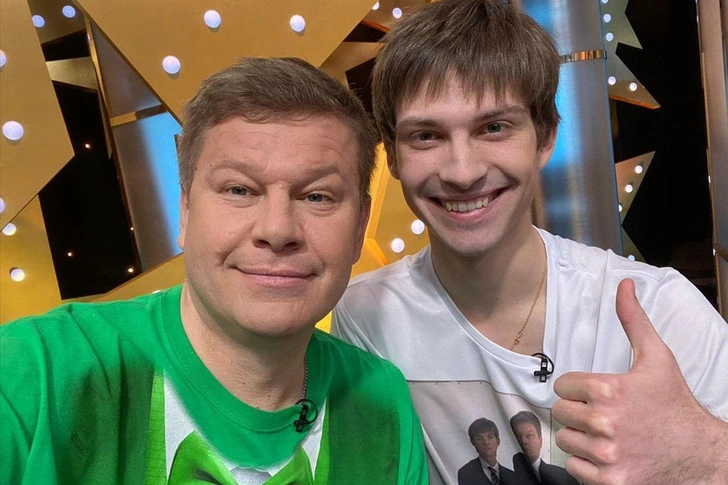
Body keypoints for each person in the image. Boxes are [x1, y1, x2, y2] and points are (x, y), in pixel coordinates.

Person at [331, 1, 728, 484]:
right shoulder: (366, 317)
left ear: (545, 138)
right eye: (427, 136)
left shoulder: (658, 307)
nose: (462, 172)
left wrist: (700, 452)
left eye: (494, 127)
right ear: (392, 156)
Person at [0, 57, 428, 484]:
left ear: (359, 226)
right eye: (239, 190)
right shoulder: (36, 372)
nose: (277, 230)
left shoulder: (383, 403)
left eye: (317, 196)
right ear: (185, 210)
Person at [509, 411, 577, 485]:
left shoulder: (564, 476)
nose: (523, 441)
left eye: (529, 435)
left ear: (540, 440)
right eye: (518, 437)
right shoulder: (505, 477)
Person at [458, 418, 515, 485]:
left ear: (498, 441)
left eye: (490, 437)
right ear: (473, 443)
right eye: (479, 439)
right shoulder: (466, 473)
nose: (486, 442)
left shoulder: (512, 476)